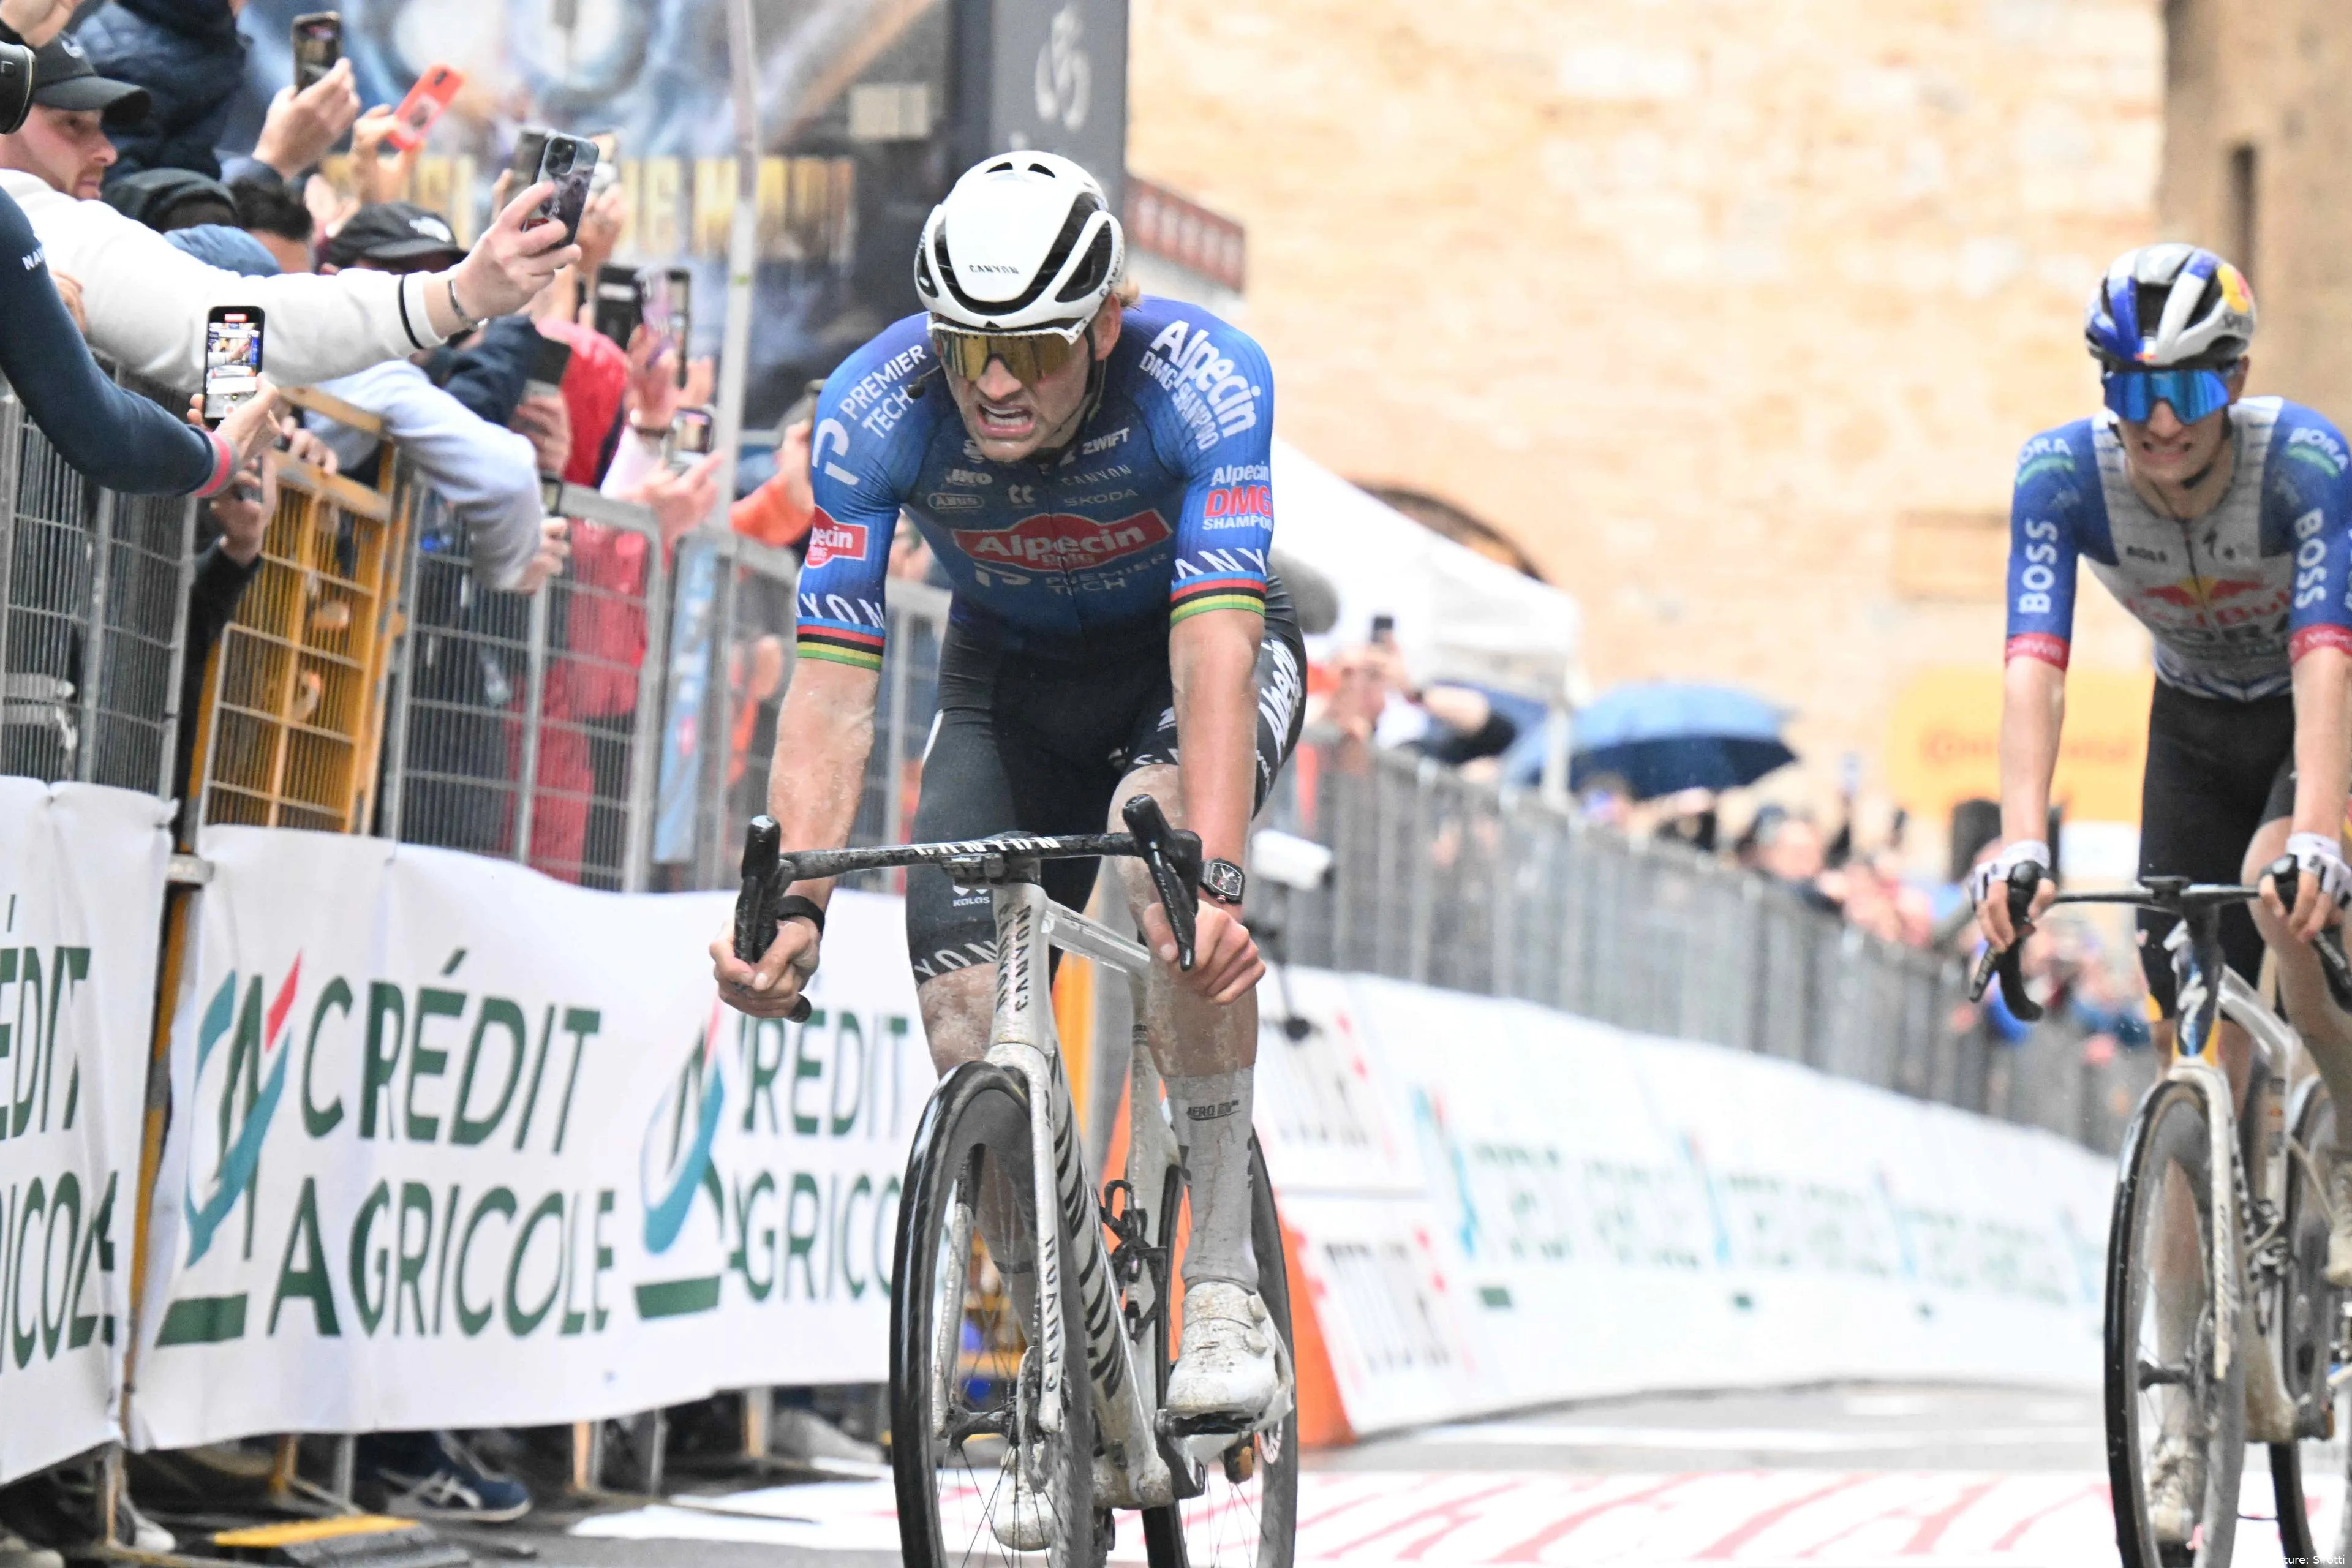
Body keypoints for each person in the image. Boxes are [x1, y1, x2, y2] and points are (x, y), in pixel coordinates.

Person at [708, 151, 1298, 1542]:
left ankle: (1214, 1273)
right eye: (968, 347)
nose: (993, 385)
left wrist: (1209, 878)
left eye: (1031, 346)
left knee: (1162, 885)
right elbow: (834, 682)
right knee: (956, 989)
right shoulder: (871, 409)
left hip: (1180, 658)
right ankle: (1051, 1360)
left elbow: (1217, 649)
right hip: (1006, 682)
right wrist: (790, 897)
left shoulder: (1204, 380)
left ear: (1102, 324)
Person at [1973, 243, 2352, 1540]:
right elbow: (2036, 661)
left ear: (2233, 385)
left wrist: (2318, 834)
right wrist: (2019, 841)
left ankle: (2343, 1154)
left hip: (2314, 716)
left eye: (2181, 397)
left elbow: (2322, 656)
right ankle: (2180, 1396)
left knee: (2274, 887)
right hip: (2193, 723)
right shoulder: (2058, 474)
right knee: (2186, 1043)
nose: (2152, 428)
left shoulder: (2302, 461)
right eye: (2125, 392)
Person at [0, 38, 575, 391]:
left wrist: (219, 457)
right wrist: (460, 294)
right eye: (70, 124)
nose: (107, 152)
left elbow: (230, 332)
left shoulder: (51, 224)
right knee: (236, 254)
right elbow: (231, 324)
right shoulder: (35, 225)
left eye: (102, 127)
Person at [74, 0, 361, 185]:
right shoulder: (133, 59)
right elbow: (127, 224)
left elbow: (200, 168)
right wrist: (276, 163)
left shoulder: (197, 32)